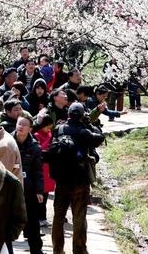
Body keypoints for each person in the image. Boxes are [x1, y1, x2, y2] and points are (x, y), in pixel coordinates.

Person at [50, 104, 105, 254]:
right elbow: (99, 138)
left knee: (58, 217)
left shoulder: (59, 129)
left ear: (68, 114)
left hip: (61, 180)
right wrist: (90, 124)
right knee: (79, 217)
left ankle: (57, 249)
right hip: (80, 180)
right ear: (81, 115)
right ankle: (79, 249)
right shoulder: (84, 131)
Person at [13, 116, 44, 254]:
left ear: (30, 129)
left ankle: (36, 249)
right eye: (19, 124)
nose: (21, 127)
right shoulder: (7, 142)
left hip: (28, 188)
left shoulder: (34, 146)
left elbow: (38, 170)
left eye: (24, 125)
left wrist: (39, 190)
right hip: (9, 187)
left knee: (32, 220)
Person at [33, 114, 55, 227]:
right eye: (47, 127)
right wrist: (49, 140)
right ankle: (38, 217)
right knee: (39, 194)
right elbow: (39, 149)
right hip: (41, 167)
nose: (49, 129)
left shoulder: (49, 134)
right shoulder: (36, 135)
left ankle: (43, 217)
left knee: (45, 195)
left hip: (48, 167)